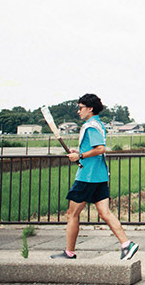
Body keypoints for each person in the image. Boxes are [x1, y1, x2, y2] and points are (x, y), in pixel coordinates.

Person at [50, 94, 139, 260]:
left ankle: (69, 252)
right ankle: (127, 244)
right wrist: (79, 153)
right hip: (99, 175)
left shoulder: (91, 126)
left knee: (72, 214)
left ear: (90, 109)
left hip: (87, 176)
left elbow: (100, 149)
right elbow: (95, 149)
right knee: (105, 213)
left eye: (81, 108)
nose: (78, 111)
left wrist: (80, 156)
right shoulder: (98, 124)